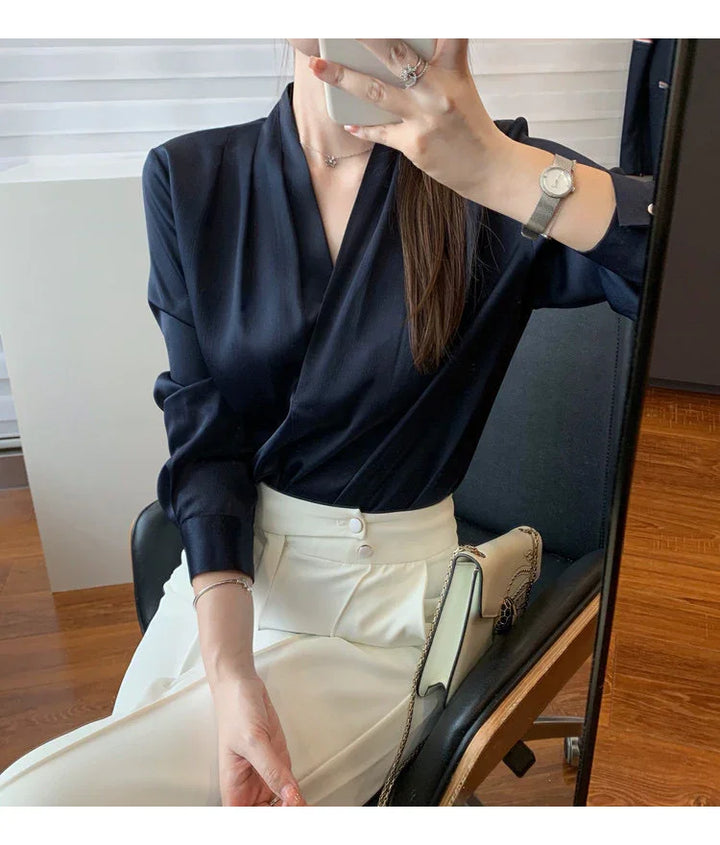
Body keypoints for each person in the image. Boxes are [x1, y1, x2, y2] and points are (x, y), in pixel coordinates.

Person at [0, 39, 655, 806]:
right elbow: (204, 436)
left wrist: (496, 169)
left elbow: (684, 278)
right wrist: (230, 663)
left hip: (384, 610)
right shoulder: (190, 178)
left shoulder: (492, 168)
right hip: (229, 586)